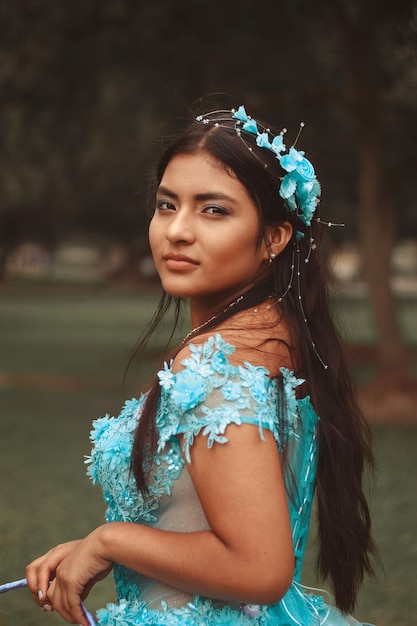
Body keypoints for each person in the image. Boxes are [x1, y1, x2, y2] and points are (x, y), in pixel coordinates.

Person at [26, 105, 376, 625]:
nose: (178, 231)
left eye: (213, 210)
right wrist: (100, 548)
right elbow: (206, 515)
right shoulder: (275, 334)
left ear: (275, 238)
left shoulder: (218, 361)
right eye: (167, 205)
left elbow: (260, 567)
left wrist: (111, 540)